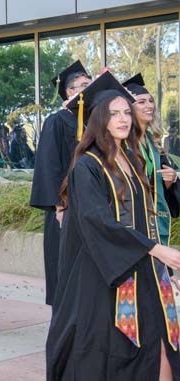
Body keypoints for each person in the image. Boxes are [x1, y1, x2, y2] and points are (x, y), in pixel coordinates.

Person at [46, 72, 180, 380]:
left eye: (125, 112)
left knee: (164, 344)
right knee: (123, 354)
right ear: (98, 119)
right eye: (114, 113)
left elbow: (144, 220)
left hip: (144, 268)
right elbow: (97, 222)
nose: (123, 119)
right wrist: (156, 250)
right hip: (107, 278)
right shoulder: (87, 166)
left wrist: (162, 267)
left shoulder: (133, 161)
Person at [29, 60, 91, 306]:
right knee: (65, 270)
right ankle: (64, 334)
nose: (90, 88)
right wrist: (59, 206)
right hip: (65, 209)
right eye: (85, 85)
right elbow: (48, 166)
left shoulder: (93, 122)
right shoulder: (57, 121)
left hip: (90, 207)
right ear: (70, 92)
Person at [123, 73, 180, 247]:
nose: (149, 105)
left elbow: (163, 185)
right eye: (141, 102)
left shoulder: (154, 143)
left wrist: (172, 180)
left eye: (150, 101)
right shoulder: (122, 143)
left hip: (155, 221)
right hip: (133, 222)